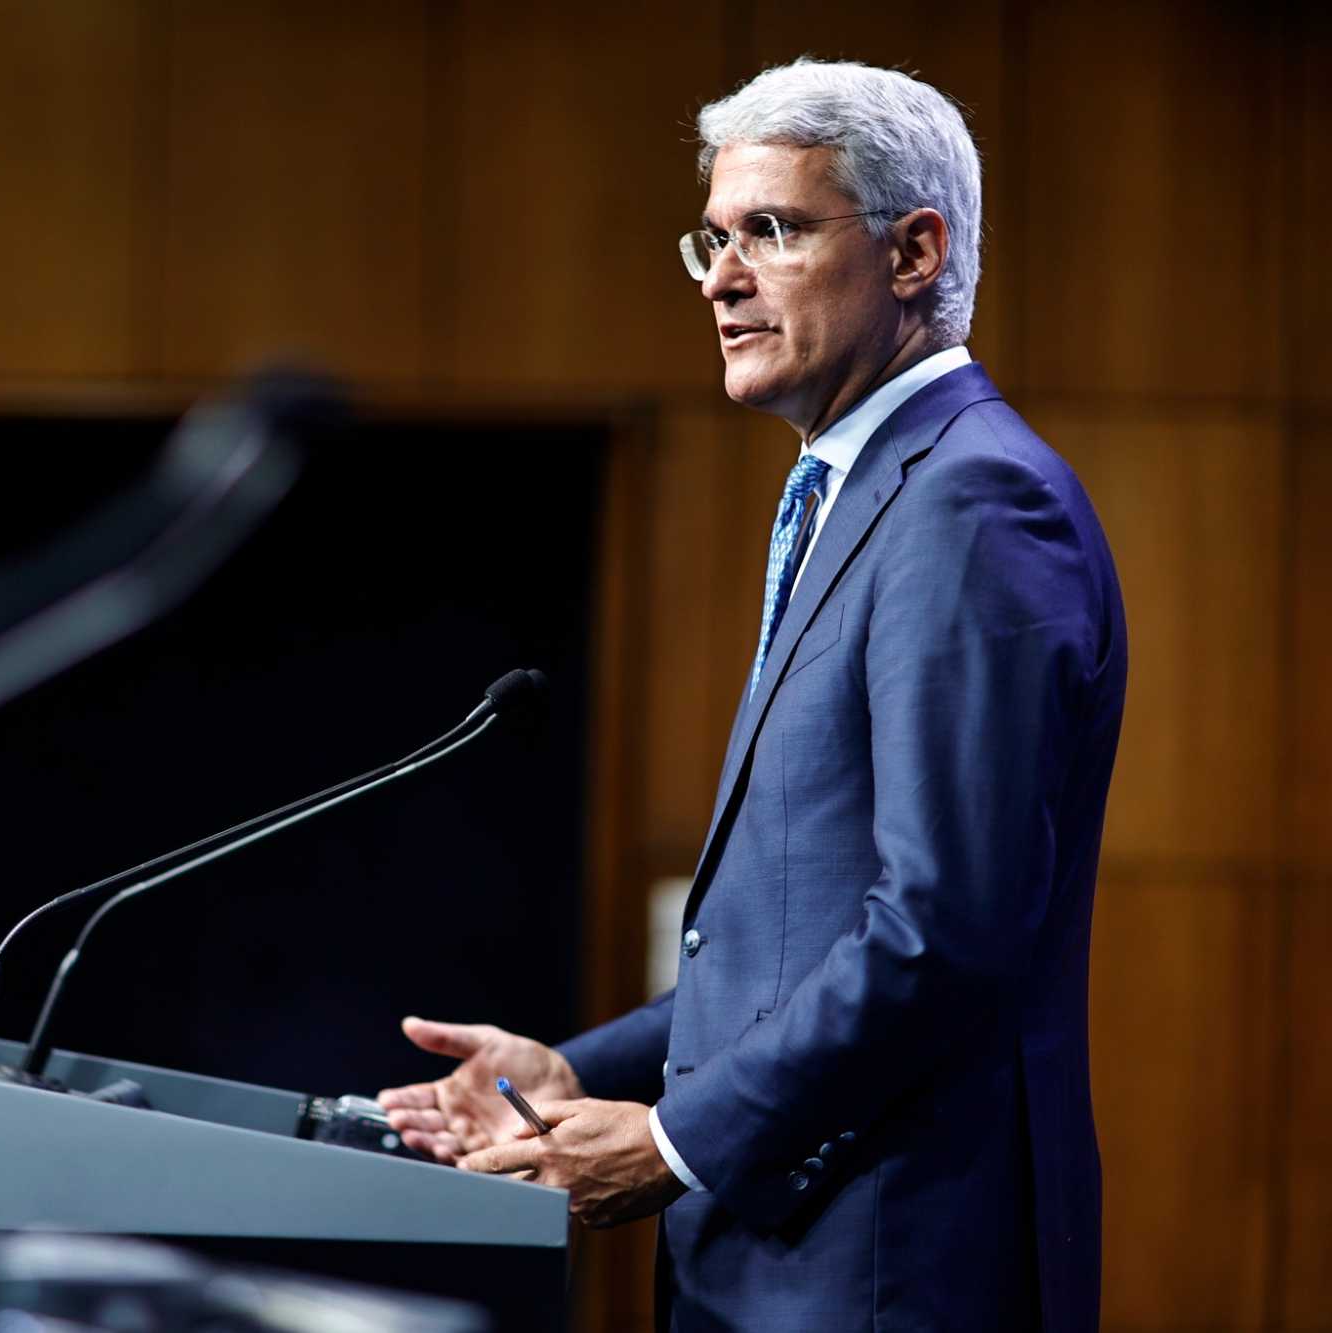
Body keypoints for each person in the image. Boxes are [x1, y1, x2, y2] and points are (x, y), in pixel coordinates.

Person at [379, 58, 1125, 1332]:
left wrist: (674, 1140)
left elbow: (944, 926)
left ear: (912, 252)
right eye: (711, 239)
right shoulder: (861, 492)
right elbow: (795, 942)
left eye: (770, 231)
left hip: (883, 1271)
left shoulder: (970, 501)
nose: (719, 279)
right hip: (796, 1261)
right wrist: (577, 1070)